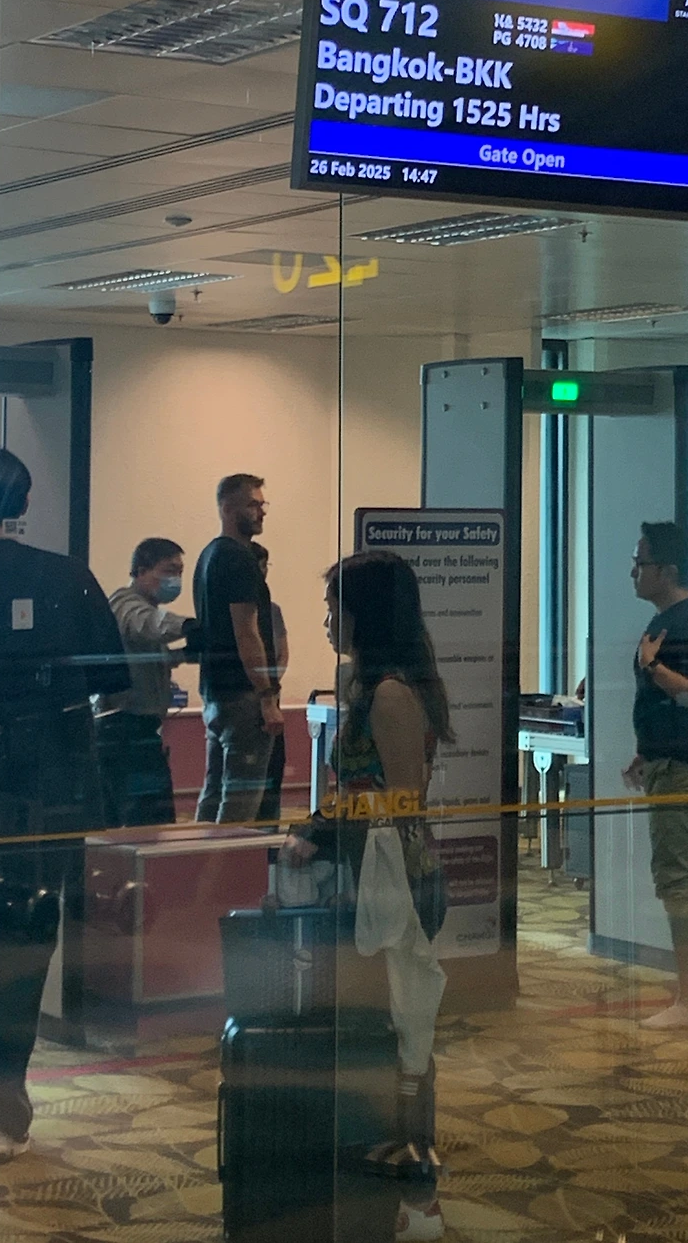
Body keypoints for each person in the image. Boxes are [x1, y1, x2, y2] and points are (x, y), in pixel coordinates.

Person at [283, 552, 452, 1243]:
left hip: (397, 879)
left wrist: (326, 827)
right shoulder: (364, 687)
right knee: (384, 1025)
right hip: (370, 873)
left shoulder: (389, 695)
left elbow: (401, 801)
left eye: (336, 607)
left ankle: (416, 1172)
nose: (327, 620)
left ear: (366, 614)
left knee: (406, 1027)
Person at [0, 448, 129, 1162]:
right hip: (48, 789)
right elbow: (108, 678)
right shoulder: (66, 576)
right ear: (23, 500)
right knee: (22, 940)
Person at [625, 521, 688, 1031]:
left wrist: (654, 669)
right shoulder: (671, 620)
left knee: (681, 883)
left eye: (640, 562)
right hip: (671, 762)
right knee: (687, 881)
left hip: (685, 771)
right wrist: (647, 750)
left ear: (667, 570)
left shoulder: (687, 623)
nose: (633, 572)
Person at [193, 474, 284, 824]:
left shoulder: (208, 556)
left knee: (213, 793)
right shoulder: (237, 558)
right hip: (244, 697)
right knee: (240, 805)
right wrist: (267, 697)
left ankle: (200, 856)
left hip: (216, 694)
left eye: (262, 504)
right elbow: (247, 633)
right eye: (252, 504)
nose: (262, 512)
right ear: (227, 508)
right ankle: (230, 859)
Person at [98, 537, 192, 827]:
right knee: (149, 821)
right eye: (168, 570)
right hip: (126, 730)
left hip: (140, 728)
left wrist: (184, 655)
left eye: (179, 572)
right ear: (140, 571)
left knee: (152, 818)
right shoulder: (126, 604)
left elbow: (146, 657)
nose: (175, 579)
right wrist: (190, 627)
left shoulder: (145, 607)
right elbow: (149, 626)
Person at [252, 542, 290, 824]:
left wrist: (272, 684)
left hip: (272, 696)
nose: (263, 571)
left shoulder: (273, 610)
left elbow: (282, 652)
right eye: (259, 565)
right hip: (250, 699)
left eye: (267, 565)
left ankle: (271, 830)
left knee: (274, 766)